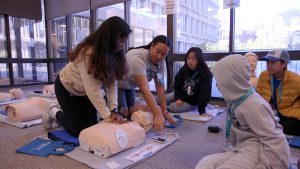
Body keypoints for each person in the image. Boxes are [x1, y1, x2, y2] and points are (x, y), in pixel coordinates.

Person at [195, 54, 290, 169]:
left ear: (232, 80)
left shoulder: (253, 105)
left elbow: (275, 140)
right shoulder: (234, 100)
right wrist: (230, 149)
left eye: (220, 79)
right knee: (206, 163)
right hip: (242, 147)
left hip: (260, 150)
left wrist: (265, 166)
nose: (216, 84)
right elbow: (234, 130)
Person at [41, 16, 131, 137]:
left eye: (124, 42)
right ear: (110, 39)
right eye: (121, 41)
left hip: (83, 92)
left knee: (91, 128)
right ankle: (53, 110)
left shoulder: (114, 53)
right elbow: (93, 90)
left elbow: (111, 84)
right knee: (77, 131)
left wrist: (113, 110)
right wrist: (108, 116)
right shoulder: (88, 53)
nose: (122, 46)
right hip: (67, 88)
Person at [118, 35, 176, 132]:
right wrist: (157, 113)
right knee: (123, 114)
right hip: (117, 85)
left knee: (132, 113)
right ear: (152, 45)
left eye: (163, 54)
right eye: (158, 51)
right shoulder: (137, 58)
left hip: (130, 86)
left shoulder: (161, 63)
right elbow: (145, 89)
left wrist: (164, 111)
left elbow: (160, 88)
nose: (159, 56)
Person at [256, 49, 300, 136]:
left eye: (272, 63)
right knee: (248, 117)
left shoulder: (295, 79)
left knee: (291, 126)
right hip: (269, 111)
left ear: (284, 64)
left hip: (288, 112)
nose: (269, 65)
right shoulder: (263, 75)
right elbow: (258, 96)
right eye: (267, 62)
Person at [166, 47, 212, 114]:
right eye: (188, 58)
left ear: (199, 60)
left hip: (192, 101)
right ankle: (156, 107)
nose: (190, 61)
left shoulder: (205, 74)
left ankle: (162, 109)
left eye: (193, 59)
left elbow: (204, 94)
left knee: (173, 107)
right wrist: (180, 98)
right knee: (162, 99)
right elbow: (177, 86)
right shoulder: (184, 69)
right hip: (181, 95)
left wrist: (202, 110)